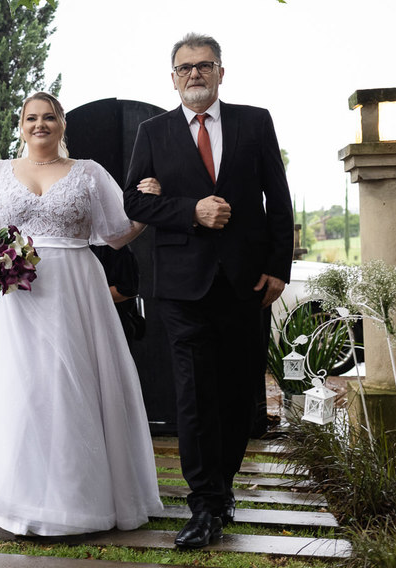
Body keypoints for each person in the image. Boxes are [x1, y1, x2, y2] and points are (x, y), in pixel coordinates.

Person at [0, 91, 164, 537]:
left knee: (72, 385)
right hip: (15, 294)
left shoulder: (88, 174)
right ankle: (16, 494)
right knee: (21, 387)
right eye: (31, 118)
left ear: (62, 124)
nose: (39, 125)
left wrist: (149, 208)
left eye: (48, 117)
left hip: (74, 288)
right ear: (21, 125)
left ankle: (80, 498)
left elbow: (117, 234)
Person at [123, 33, 293, 550]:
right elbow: (134, 203)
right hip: (181, 286)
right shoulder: (154, 133)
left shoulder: (254, 121)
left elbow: (277, 199)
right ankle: (204, 503)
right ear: (172, 77)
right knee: (194, 395)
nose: (194, 74)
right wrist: (190, 211)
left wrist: (278, 268)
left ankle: (222, 489)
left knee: (238, 392)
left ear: (221, 72)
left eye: (204, 65)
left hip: (245, 282)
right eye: (184, 67)